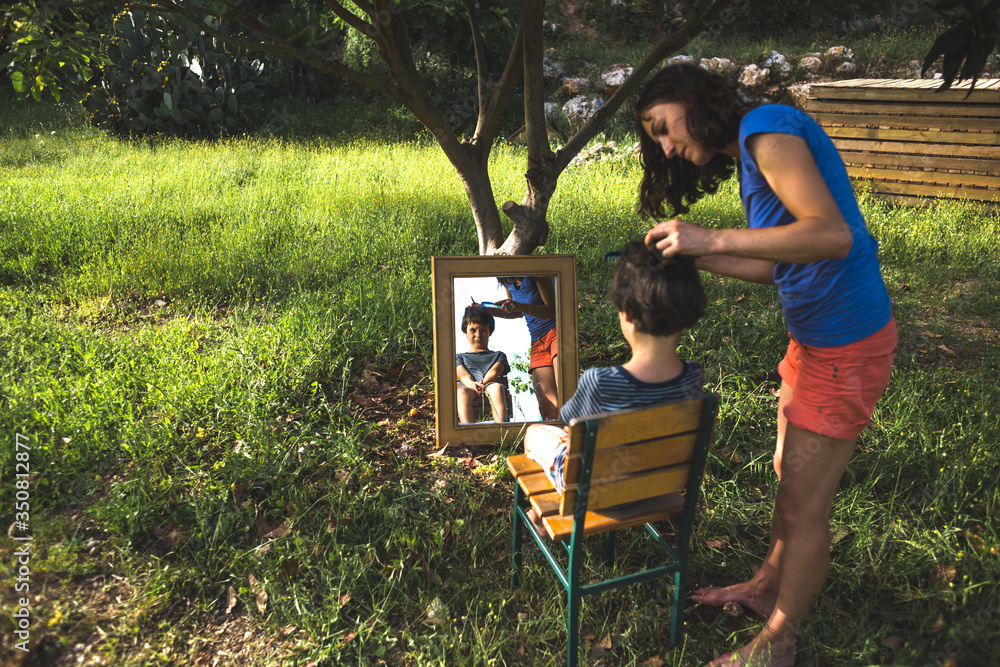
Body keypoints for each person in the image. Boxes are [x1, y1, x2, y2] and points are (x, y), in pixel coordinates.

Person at [637, 63, 897, 667]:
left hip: (846, 348)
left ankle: (779, 642)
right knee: (787, 475)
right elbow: (782, 262)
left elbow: (831, 236)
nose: (667, 145)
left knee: (803, 506)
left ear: (691, 100)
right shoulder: (756, 144)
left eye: (663, 127)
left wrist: (713, 239)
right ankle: (765, 587)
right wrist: (691, 258)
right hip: (812, 342)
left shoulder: (767, 129)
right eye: (656, 140)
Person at [522, 240, 705, 497]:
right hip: (655, 485)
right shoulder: (694, 376)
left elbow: (568, 422)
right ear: (688, 316)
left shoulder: (599, 382)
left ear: (626, 314)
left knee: (534, 433)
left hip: (595, 492)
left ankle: (550, 511)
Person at [491, 276, 560, 420]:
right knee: (547, 408)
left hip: (556, 333)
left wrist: (519, 306)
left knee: (565, 391)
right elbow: (516, 312)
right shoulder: (507, 282)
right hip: (536, 341)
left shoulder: (537, 273)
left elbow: (553, 309)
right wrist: (488, 311)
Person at [456, 305, 510, 424]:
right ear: (465, 331)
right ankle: (468, 433)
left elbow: (494, 372)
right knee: (461, 392)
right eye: (473, 330)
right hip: (469, 388)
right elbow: (463, 374)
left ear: (490, 332)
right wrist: (472, 384)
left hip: (489, 385)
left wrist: (483, 384)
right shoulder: (459, 357)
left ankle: (501, 430)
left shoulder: (499, 356)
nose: (478, 335)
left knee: (496, 387)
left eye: (483, 330)